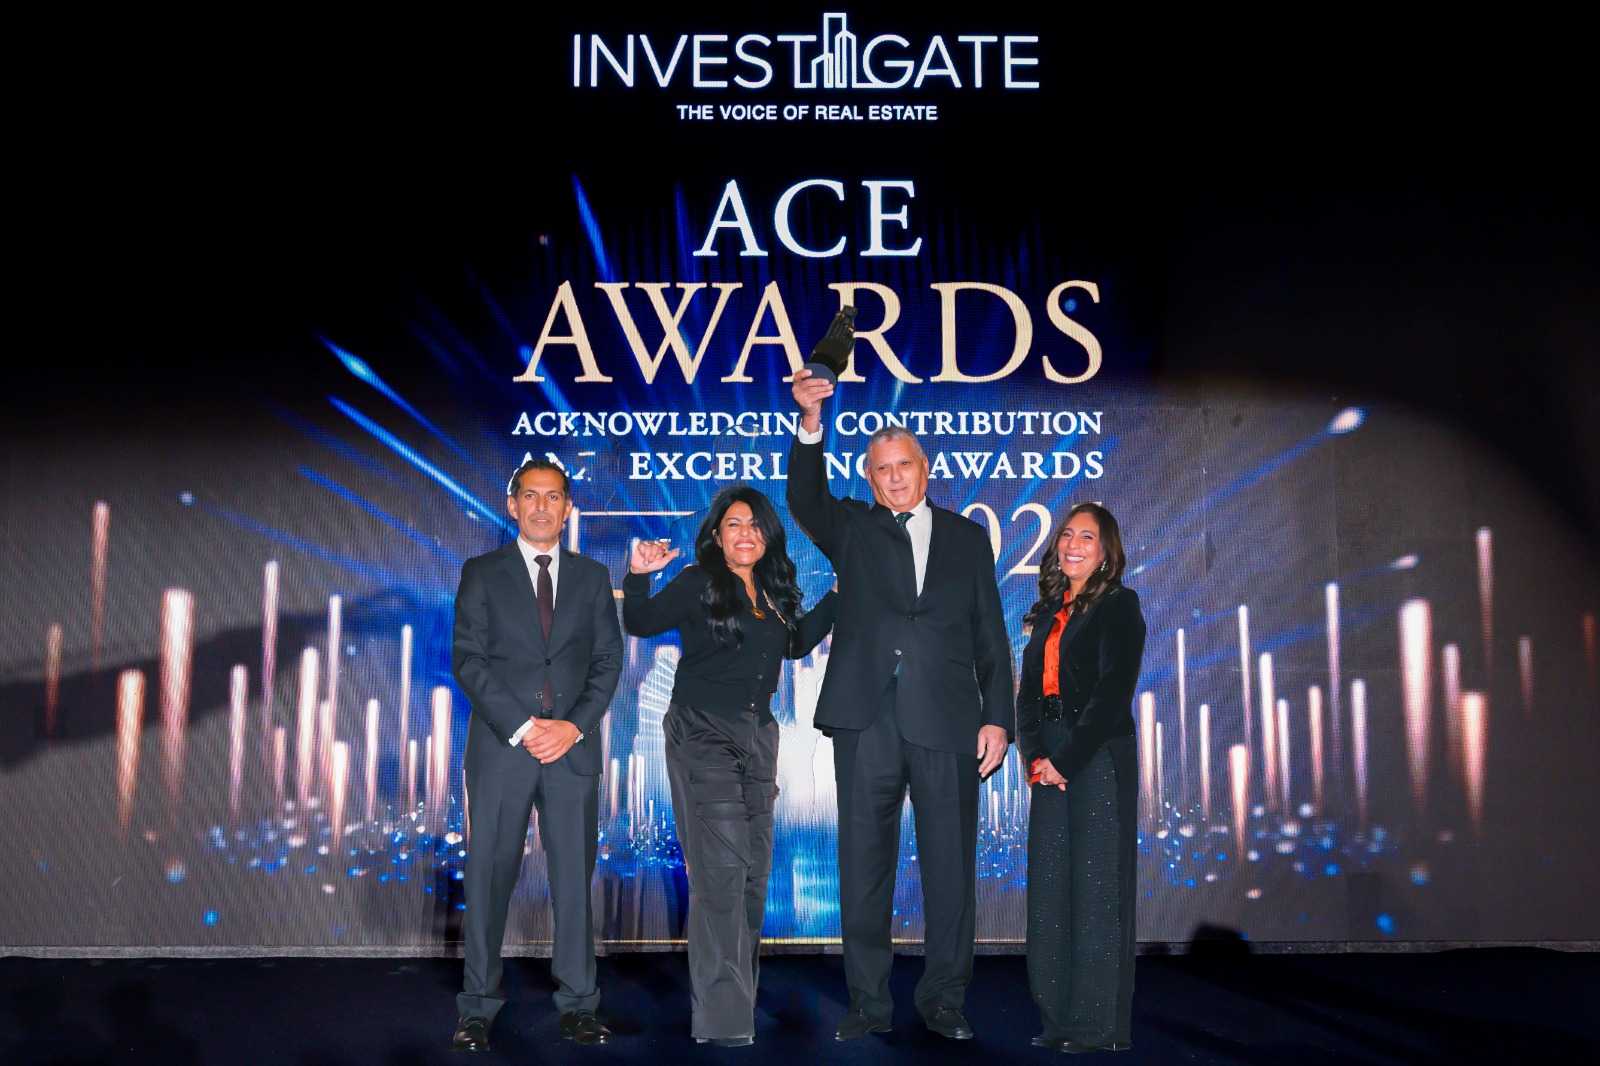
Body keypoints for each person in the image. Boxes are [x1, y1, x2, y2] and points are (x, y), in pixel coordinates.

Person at [787, 369, 1013, 1042]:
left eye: (903, 465)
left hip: (947, 718)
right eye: (881, 469)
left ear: (925, 469)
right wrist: (810, 423)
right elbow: (804, 497)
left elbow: (990, 635)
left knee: (951, 869)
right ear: (870, 477)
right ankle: (868, 1002)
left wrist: (998, 716)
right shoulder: (852, 525)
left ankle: (944, 1000)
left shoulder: (967, 538)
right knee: (863, 868)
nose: (893, 477)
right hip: (866, 718)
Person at [622, 485, 838, 1047]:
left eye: (755, 525)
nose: (746, 534)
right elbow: (641, 620)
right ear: (717, 535)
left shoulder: (773, 588)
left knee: (752, 876)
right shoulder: (699, 581)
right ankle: (724, 1022)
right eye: (735, 524)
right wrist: (639, 575)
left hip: (759, 737)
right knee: (720, 875)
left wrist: (839, 596)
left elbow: (794, 645)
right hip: (703, 733)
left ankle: (734, 1001)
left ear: (769, 536)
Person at [450, 459, 624, 1051]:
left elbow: (608, 661)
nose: (542, 506)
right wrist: (526, 728)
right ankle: (477, 1008)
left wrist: (572, 727)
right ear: (512, 504)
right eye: (531, 495)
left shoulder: (593, 577)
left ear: (568, 507)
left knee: (574, 883)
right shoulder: (481, 572)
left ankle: (579, 1005)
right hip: (504, 748)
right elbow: (468, 660)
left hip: (572, 750)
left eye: (553, 497)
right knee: (488, 878)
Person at [1016, 503, 1145, 1054]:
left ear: (1106, 552)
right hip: (1048, 758)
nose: (1073, 545)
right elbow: (1027, 695)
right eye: (1067, 535)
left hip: (1095, 756)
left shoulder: (1119, 605)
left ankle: (1096, 1025)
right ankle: (1057, 1018)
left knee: (1096, 893)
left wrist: (1065, 761)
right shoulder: (1047, 611)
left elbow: (1112, 694)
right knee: (1050, 891)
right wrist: (1036, 757)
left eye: (1087, 537)